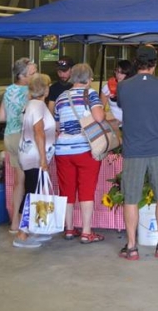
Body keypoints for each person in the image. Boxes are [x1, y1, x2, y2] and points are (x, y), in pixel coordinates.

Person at [116, 45, 158, 259]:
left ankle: (132, 246)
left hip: (133, 150)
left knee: (131, 199)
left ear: (136, 62)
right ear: (155, 63)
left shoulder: (124, 87)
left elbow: (124, 109)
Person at [54, 63, 105, 243]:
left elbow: (58, 126)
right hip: (84, 148)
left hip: (62, 150)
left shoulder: (61, 97)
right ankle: (86, 231)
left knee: (66, 189)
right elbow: (99, 117)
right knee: (86, 189)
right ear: (88, 78)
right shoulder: (90, 94)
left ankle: (68, 229)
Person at [12, 74, 55, 248]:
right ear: (45, 89)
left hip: (30, 153)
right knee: (32, 192)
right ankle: (22, 233)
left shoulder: (31, 104)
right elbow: (39, 132)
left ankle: (33, 228)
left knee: (35, 191)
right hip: (35, 156)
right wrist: (43, 159)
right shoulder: (37, 106)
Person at [0, 57, 37, 234]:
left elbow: (2, 117)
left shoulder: (8, 90)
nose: (36, 76)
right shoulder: (29, 91)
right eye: (33, 73)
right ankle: (24, 223)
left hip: (9, 137)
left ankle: (14, 222)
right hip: (23, 137)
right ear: (23, 75)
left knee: (17, 181)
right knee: (27, 181)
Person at [101, 60, 135, 126]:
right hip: (114, 126)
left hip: (131, 125)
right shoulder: (107, 87)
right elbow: (101, 109)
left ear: (128, 73)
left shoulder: (134, 87)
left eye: (122, 72)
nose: (118, 75)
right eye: (117, 71)